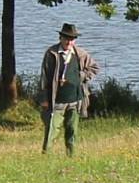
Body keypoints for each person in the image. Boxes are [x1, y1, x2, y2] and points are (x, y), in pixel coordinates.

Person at [39, 23, 99, 156]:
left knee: (72, 129)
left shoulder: (80, 54)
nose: (69, 41)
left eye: (72, 39)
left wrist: (82, 76)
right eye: (66, 38)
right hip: (57, 101)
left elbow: (94, 68)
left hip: (75, 100)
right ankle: (45, 155)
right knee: (52, 129)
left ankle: (71, 155)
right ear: (60, 38)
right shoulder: (51, 53)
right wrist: (44, 99)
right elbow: (44, 77)